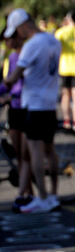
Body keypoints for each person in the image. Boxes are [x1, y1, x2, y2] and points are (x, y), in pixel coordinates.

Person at [2, 8, 62, 213]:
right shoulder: (54, 40)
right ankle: (54, 195)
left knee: (34, 151)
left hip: (34, 104)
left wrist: (5, 84)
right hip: (50, 102)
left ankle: (42, 197)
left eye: (16, 30)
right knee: (50, 150)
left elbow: (15, 76)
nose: (17, 34)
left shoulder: (31, 45)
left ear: (22, 26)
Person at [0, 30, 34, 212]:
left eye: (7, 40)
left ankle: (28, 193)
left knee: (25, 154)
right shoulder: (12, 57)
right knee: (19, 156)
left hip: (25, 107)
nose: (6, 43)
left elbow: (21, 84)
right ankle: (28, 192)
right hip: (13, 109)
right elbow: (8, 83)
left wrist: (8, 95)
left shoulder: (27, 55)